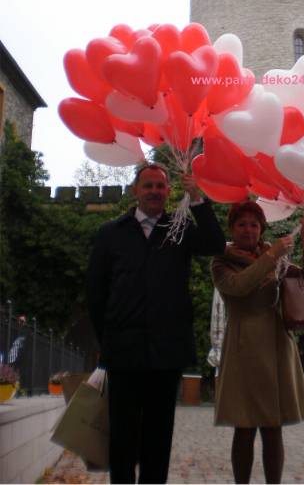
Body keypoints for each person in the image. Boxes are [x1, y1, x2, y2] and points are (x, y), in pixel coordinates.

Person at [87, 162, 225, 484]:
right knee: (122, 438)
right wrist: (106, 341)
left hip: (166, 354)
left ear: (168, 192)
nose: (154, 191)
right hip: (123, 353)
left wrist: (197, 199)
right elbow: (96, 293)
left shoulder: (179, 230)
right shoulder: (111, 234)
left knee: (158, 439)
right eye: (147, 185)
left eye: (160, 186)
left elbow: (215, 245)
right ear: (135, 191)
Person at [211, 201, 304, 484]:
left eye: (254, 225)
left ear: (261, 229)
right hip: (243, 347)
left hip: (276, 346)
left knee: (273, 428)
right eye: (242, 224)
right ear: (232, 228)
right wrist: (271, 255)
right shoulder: (221, 260)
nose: (248, 230)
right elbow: (239, 286)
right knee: (244, 428)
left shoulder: (275, 257)